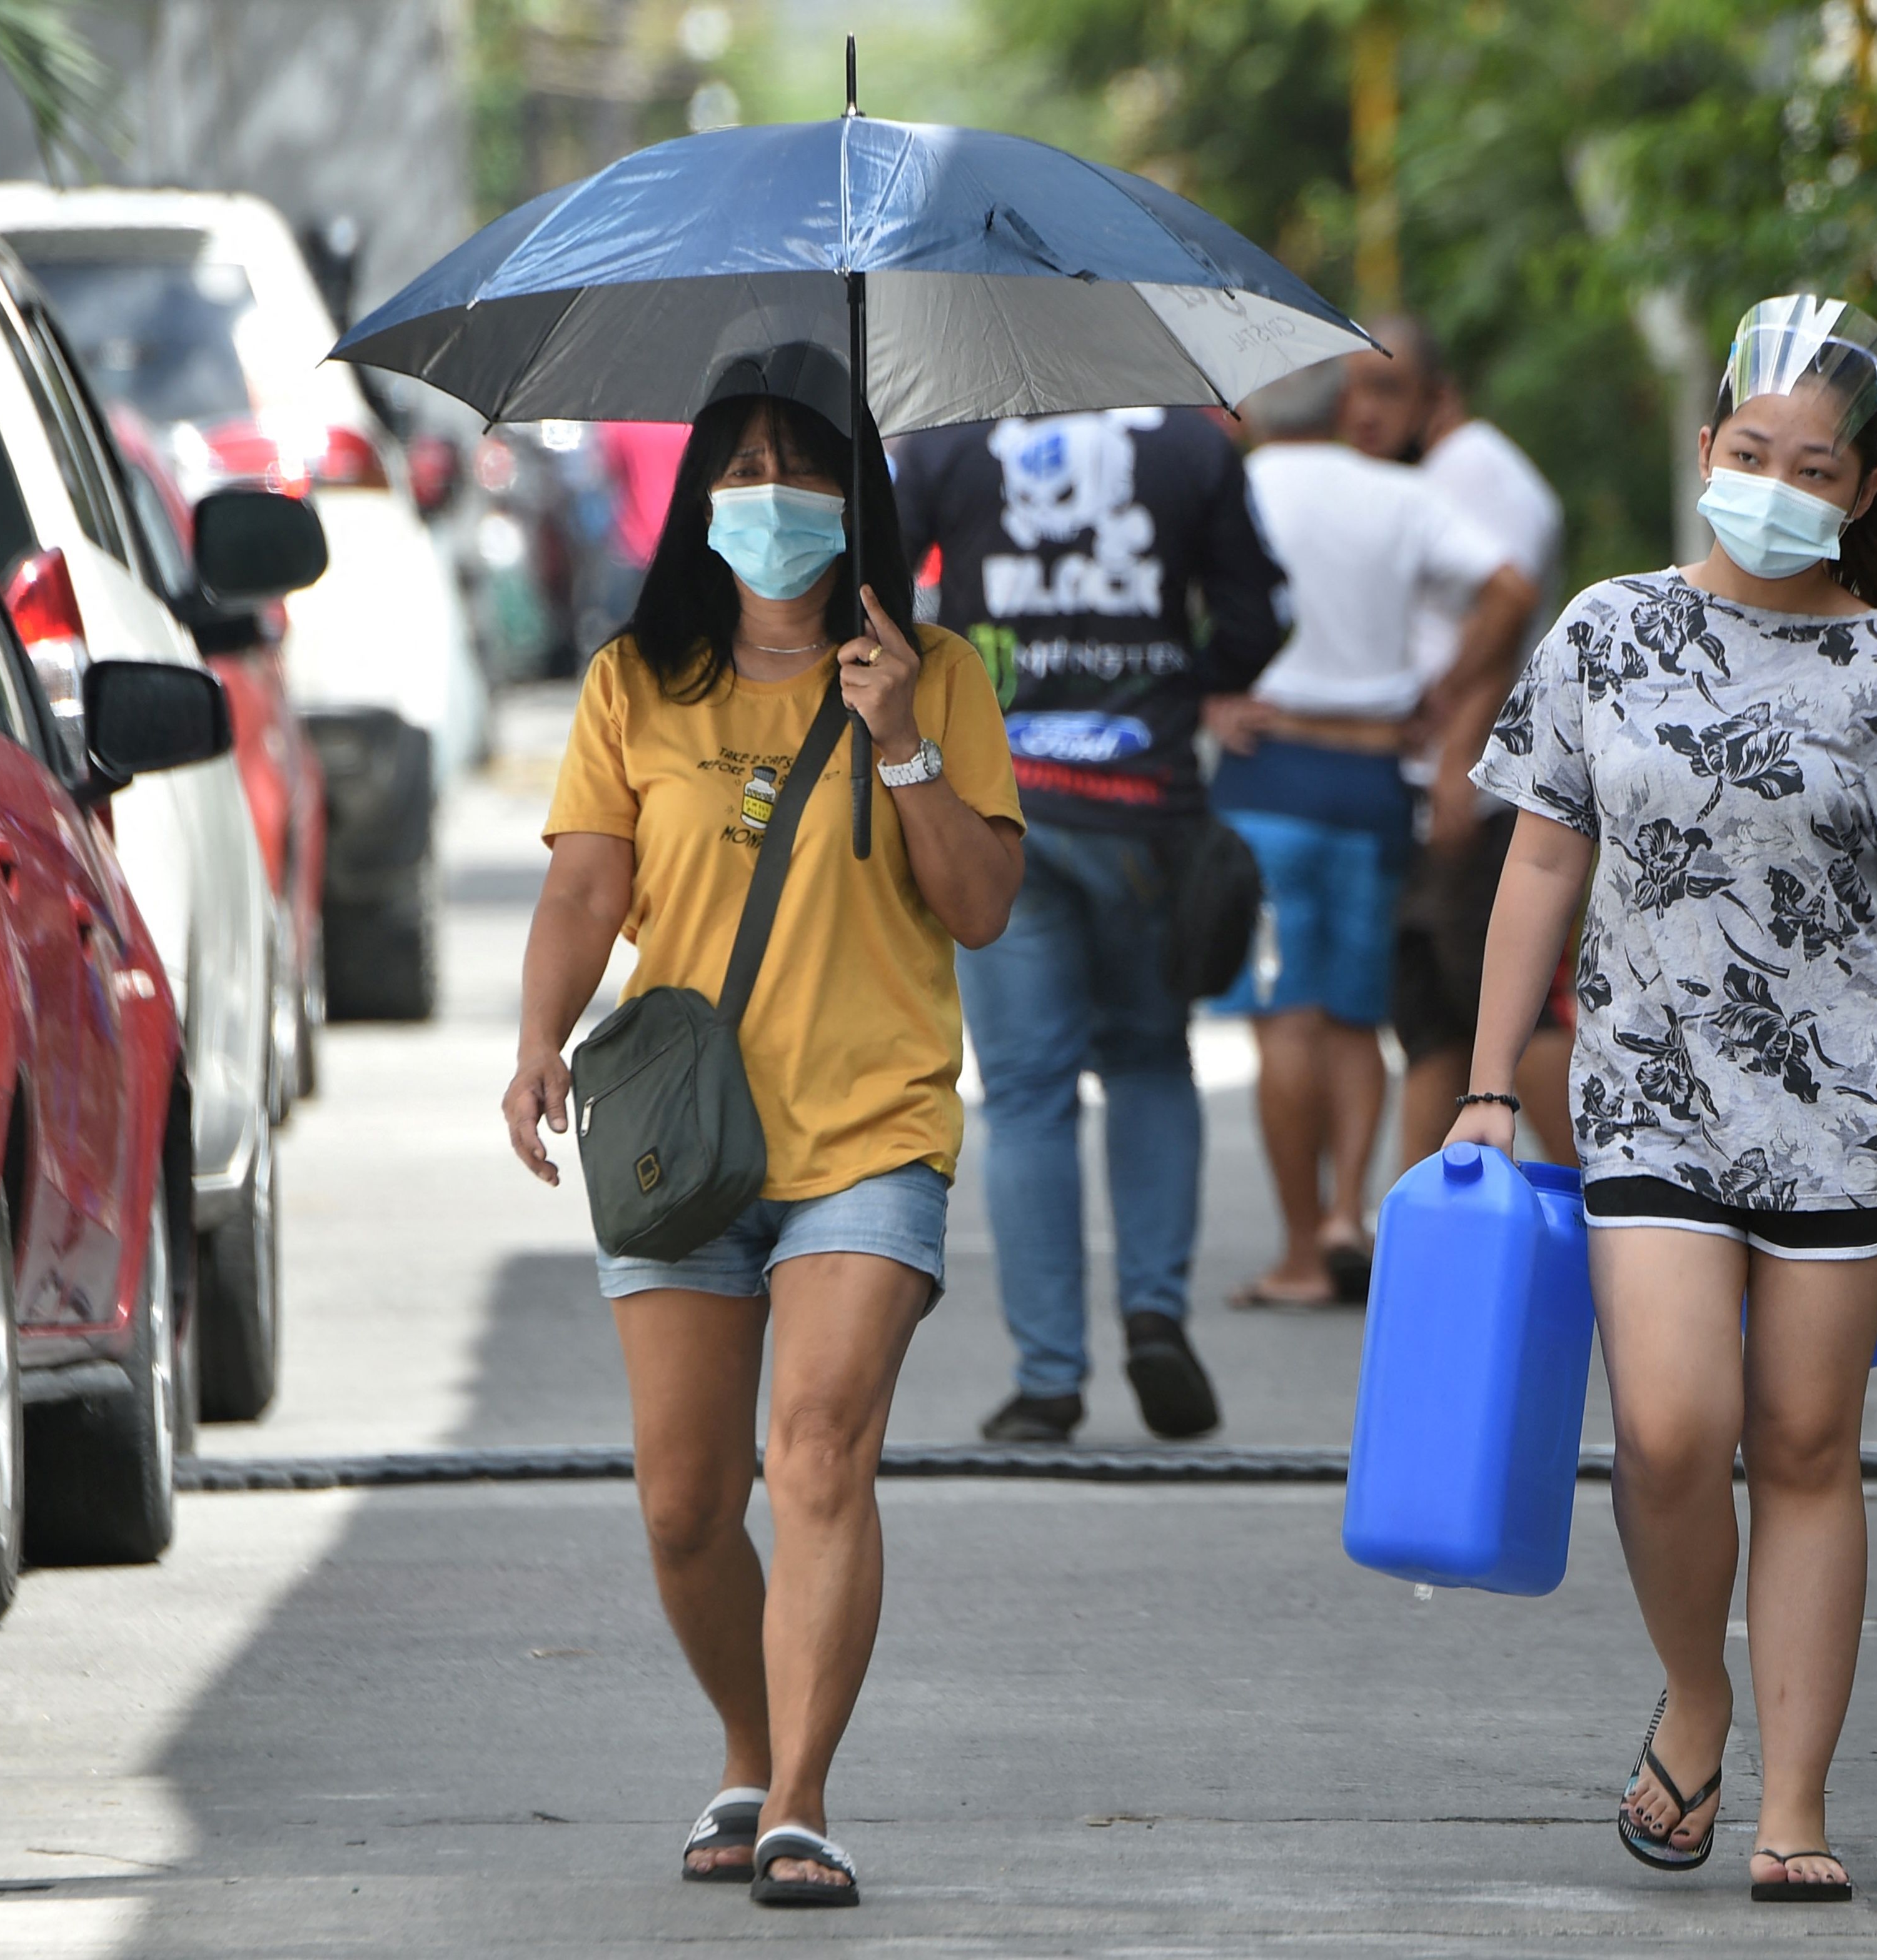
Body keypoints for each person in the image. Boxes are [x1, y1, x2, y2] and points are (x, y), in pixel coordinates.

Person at [1447, 296, 1877, 1904]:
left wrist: (1833, 933)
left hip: (1850, 1113)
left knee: (1800, 1439)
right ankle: (1689, 1691)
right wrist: (1492, 1079)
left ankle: (1794, 1805)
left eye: (1812, 463)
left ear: (1856, 490)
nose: (1773, 478)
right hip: (1642, 1093)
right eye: (1748, 448)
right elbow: (1541, 858)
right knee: (1667, 1428)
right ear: (1707, 448)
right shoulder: (1603, 630)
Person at [500, 349, 1024, 1907]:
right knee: (682, 1500)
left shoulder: (936, 671)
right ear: (695, 498)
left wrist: (902, 741)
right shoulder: (632, 682)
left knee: (816, 1448)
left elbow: (983, 906)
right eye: (737, 469)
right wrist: (537, 1034)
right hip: (683, 1136)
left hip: (870, 1128)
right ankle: (747, 1734)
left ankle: (798, 1793)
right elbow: (589, 884)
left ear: (857, 498)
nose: (769, 500)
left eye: (802, 471)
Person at [895, 406, 1287, 1443]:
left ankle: (1048, 1378)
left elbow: (876, 605)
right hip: (1149, 807)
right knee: (1152, 1061)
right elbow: (1260, 615)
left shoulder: (944, 442)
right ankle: (1155, 1311)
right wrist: (1179, 679)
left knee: (1026, 1093)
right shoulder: (1193, 446)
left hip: (998, 807)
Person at [1219, 359, 1537, 1307]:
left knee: (1285, 1016)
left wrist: (1207, 696)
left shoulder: (1235, 487)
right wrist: (1441, 700)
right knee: (1357, 1018)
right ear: (1343, 406)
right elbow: (1512, 588)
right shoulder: (1400, 493)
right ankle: (1347, 1214)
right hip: (1368, 779)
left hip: (1268, 771)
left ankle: (1299, 1254)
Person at [1337, 315, 1574, 1167]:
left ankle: (1622, 1207)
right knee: (1437, 1026)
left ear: (1440, 395)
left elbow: (1504, 618)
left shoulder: (1477, 469)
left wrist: (1450, 757)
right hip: (1448, 784)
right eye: (1352, 390)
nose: (1362, 411)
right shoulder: (1440, 472)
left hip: (1478, 792)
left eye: (1386, 389)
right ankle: (1427, 1235)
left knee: (1508, 1015)